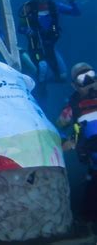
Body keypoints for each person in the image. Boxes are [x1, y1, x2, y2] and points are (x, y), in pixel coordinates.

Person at [19, 0, 80, 98]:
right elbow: (20, 27)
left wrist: (72, 1)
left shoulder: (54, 7)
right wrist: (27, 30)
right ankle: (35, 83)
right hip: (35, 46)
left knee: (62, 77)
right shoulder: (28, 8)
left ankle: (39, 81)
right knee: (41, 67)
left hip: (50, 45)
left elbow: (76, 12)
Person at [56, 62, 97, 220]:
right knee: (89, 210)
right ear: (74, 86)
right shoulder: (72, 109)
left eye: (91, 76)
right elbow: (57, 128)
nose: (89, 82)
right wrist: (69, 141)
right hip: (94, 165)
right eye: (82, 78)